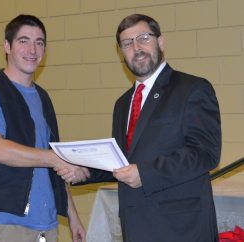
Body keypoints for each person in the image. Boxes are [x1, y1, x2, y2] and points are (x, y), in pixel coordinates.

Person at [59, 13, 222, 242]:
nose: (136, 47)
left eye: (143, 38)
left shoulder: (192, 89)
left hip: (182, 230)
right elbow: (123, 163)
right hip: (136, 226)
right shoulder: (122, 103)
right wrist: (83, 171)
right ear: (121, 53)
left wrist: (145, 174)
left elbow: (205, 154)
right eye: (127, 43)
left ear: (161, 42)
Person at [0, 14, 89, 242]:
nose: (32, 49)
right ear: (7, 46)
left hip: (46, 226)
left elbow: (54, 162)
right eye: (23, 41)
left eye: (39, 42)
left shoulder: (43, 98)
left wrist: (73, 217)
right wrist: (55, 158)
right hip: (3, 226)